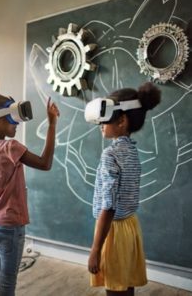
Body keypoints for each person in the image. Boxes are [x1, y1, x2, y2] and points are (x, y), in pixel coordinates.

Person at [0, 79, 60, 296]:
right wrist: (52, 124)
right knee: (8, 284)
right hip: (10, 226)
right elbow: (45, 163)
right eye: (12, 120)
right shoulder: (11, 146)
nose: (16, 125)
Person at [87, 82, 161, 296]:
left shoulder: (110, 155)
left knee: (115, 288)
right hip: (130, 226)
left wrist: (95, 250)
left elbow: (108, 207)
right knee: (126, 285)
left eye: (105, 117)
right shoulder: (132, 152)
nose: (101, 123)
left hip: (114, 230)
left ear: (121, 120)